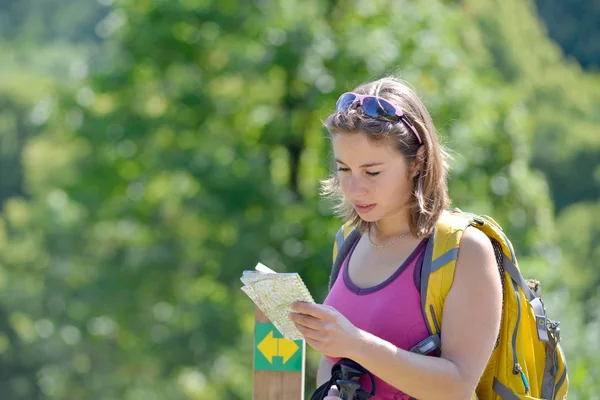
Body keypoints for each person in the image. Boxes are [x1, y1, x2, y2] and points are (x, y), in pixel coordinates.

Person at [289, 76, 503, 399]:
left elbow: (457, 387)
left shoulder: (464, 250)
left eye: (372, 172)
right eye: (344, 169)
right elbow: (333, 363)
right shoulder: (348, 240)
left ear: (417, 162)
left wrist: (356, 343)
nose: (354, 189)